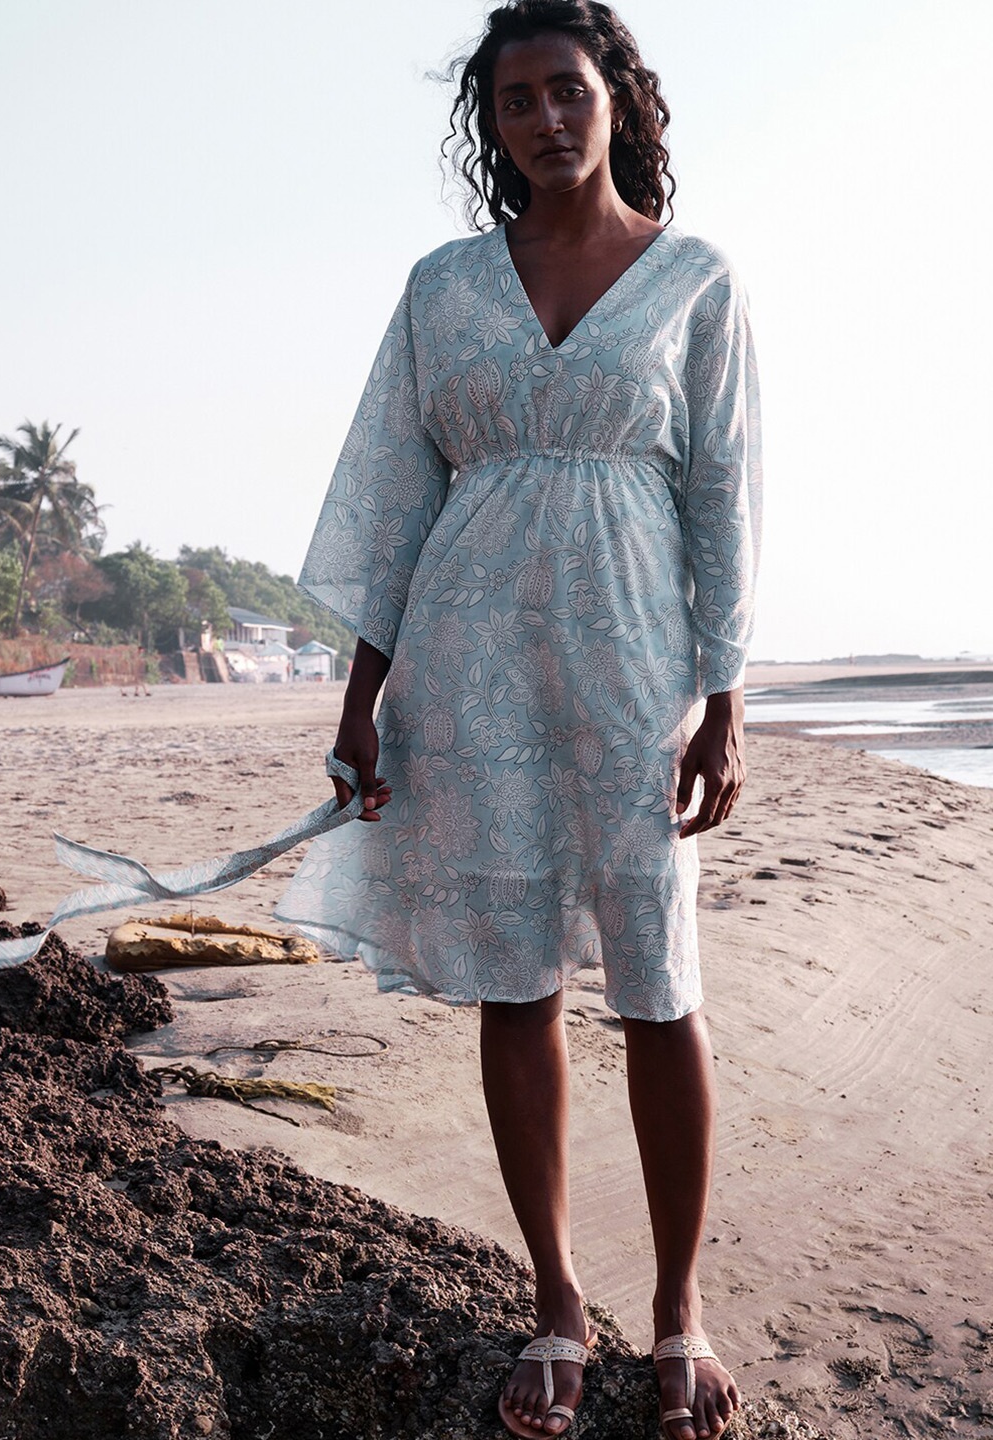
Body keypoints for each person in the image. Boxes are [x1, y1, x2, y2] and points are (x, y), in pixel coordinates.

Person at [275, 3, 761, 1437]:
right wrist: (361, 701)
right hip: (468, 654)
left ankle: (677, 1306)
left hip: (630, 659)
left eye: (565, 90)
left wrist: (725, 703)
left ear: (616, 99)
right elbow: (393, 497)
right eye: (512, 103)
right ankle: (555, 1297)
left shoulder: (694, 280)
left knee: (658, 982)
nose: (543, 119)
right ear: (488, 127)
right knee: (516, 976)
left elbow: (724, 497)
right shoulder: (443, 288)